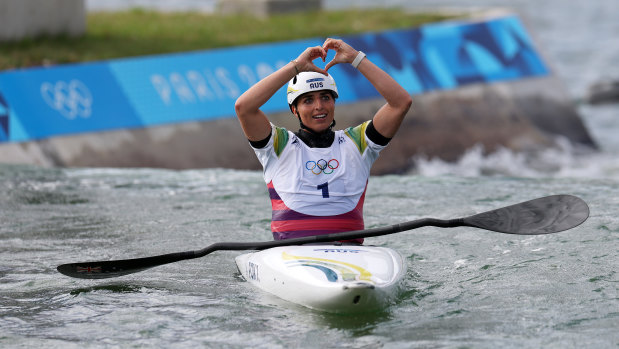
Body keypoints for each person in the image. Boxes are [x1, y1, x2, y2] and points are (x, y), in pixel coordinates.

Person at [235, 38, 412, 244]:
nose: (319, 106)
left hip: (350, 257)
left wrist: (355, 58)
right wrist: (296, 67)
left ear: (334, 103)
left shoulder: (358, 142)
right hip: (291, 256)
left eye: (325, 97)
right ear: (295, 110)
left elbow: (401, 103)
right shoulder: (278, 146)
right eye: (308, 100)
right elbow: (244, 107)